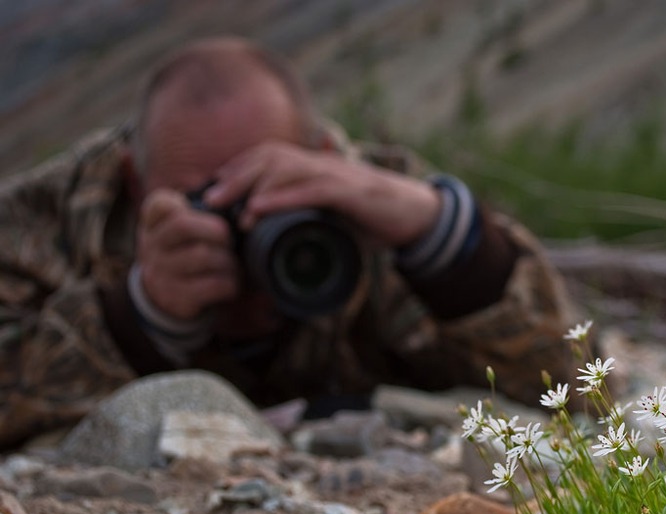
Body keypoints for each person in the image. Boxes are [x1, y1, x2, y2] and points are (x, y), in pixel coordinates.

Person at [0, 37, 578, 450]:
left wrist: (446, 237)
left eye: (265, 195)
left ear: (322, 156)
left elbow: (567, 387)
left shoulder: (372, 206)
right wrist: (139, 314)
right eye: (208, 202)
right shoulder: (42, 223)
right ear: (133, 183)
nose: (246, 231)